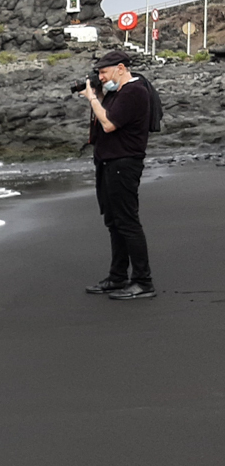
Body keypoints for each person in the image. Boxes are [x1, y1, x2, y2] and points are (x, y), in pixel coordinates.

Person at [81, 50, 155, 300]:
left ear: (120, 68)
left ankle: (143, 282)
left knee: (127, 222)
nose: (100, 77)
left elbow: (109, 124)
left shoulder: (134, 92)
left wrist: (92, 99)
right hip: (109, 163)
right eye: (99, 73)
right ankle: (117, 277)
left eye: (104, 72)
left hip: (124, 163)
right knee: (114, 222)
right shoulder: (117, 93)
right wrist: (99, 95)